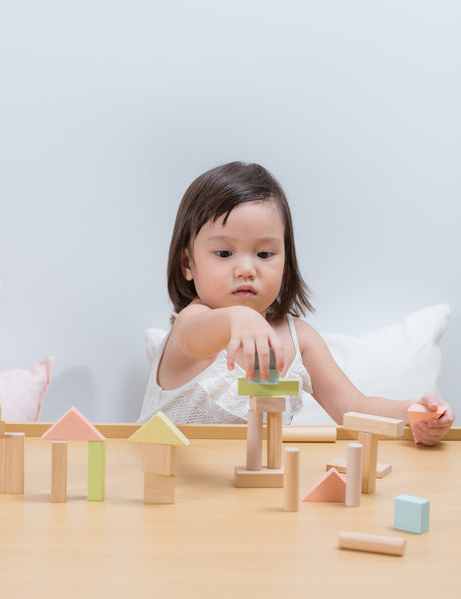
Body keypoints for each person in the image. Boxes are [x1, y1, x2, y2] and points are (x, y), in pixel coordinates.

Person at [138, 161, 453, 445]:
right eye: (224, 253)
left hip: (254, 501)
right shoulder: (191, 324)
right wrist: (237, 319)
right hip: (174, 494)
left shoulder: (298, 338)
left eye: (264, 254)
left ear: (286, 262)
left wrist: (413, 414)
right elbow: (195, 338)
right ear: (187, 264)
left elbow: (353, 408)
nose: (246, 269)